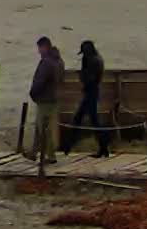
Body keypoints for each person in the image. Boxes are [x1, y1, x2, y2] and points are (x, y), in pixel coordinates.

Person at [63, 40, 112, 157]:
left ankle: (68, 146)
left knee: (87, 120)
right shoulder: (97, 59)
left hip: (91, 92)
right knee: (88, 120)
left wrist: (81, 75)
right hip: (92, 92)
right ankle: (103, 148)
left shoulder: (91, 61)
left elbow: (89, 78)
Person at [29, 36, 63, 165]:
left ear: (44, 47)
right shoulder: (59, 61)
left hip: (45, 99)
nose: (38, 51)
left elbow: (40, 81)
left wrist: (33, 93)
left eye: (39, 48)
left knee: (44, 128)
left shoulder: (46, 62)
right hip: (53, 97)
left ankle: (50, 156)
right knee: (40, 128)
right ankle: (34, 152)